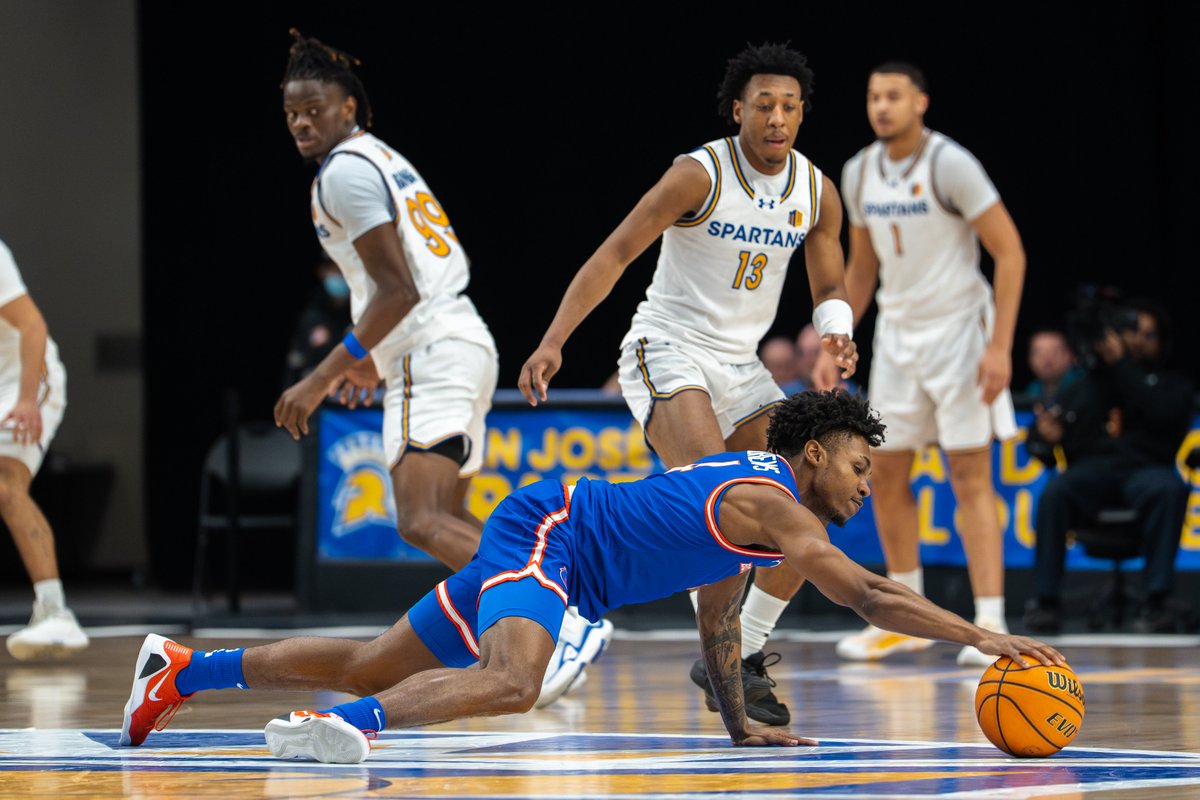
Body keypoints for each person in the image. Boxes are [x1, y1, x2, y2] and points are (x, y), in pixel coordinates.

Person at [120, 392, 1063, 764]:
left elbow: (716, 623)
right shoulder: (783, 509)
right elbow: (871, 595)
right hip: (553, 534)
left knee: (372, 659)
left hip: (557, 547)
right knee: (515, 682)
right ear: (814, 454)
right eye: (860, 467)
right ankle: (336, 732)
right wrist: (985, 635)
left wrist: (740, 725)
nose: (867, 482)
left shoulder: (765, 513)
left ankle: (180, 672)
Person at [519, 42, 859, 725]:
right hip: (666, 346)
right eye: (764, 104)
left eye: (790, 107)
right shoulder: (697, 174)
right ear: (739, 110)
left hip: (741, 362)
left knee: (812, 498)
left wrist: (835, 327)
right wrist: (555, 339)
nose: (777, 118)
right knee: (722, 498)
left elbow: (828, 278)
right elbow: (614, 254)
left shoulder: (816, 191)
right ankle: (716, 655)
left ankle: (740, 652)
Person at [272, 32, 609, 704]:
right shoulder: (383, 160)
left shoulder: (344, 170)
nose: (303, 122)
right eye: (291, 114)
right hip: (455, 338)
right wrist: (372, 357)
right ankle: (548, 618)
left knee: (419, 519)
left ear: (349, 108)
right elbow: (405, 283)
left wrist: (323, 374)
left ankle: (562, 622)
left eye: (315, 109)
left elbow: (398, 290)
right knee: (452, 515)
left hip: (430, 347)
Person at [832, 62, 1027, 666]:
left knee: (968, 475)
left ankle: (990, 618)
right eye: (873, 96)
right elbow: (861, 270)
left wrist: (1000, 347)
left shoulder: (950, 164)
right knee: (884, 473)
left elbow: (1010, 252)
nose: (882, 106)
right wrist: (837, 336)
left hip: (960, 333)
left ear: (920, 102)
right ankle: (904, 613)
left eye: (893, 96)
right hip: (898, 335)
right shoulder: (859, 170)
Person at [1024, 299, 1194, 634]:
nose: (1138, 340)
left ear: (1161, 341)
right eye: (1133, 331)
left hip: (1145, 470)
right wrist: (1046, 437)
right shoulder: (1086, 383)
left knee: (1169, 488)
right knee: (1056, 491)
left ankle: (1156, 601)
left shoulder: (1169, 383)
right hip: (1093, 472)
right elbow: (1042, 441)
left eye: (1147, 334)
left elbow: (1164, 414)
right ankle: (1045, 601)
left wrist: (1122, 365)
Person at [0, 237, 88, 660]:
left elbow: (32, 326)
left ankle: (55, 611)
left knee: (4, 485)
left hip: (23, 380)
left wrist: (24, 400)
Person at [281, 258, 352, 388]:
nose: (340, 275)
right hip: (321, 399)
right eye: (335, 270)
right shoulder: (310, 316)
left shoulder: (361, 313)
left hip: (360, 398)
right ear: (322, 271)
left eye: (343, 270)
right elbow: (296, 362)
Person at [1023, 328, 1084, 406]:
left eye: (1055, 352)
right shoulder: (1032, 390)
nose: (1047, 359)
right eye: (1039, 353)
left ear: (1070, 355)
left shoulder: (1083, 385)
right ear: (1029, 359)